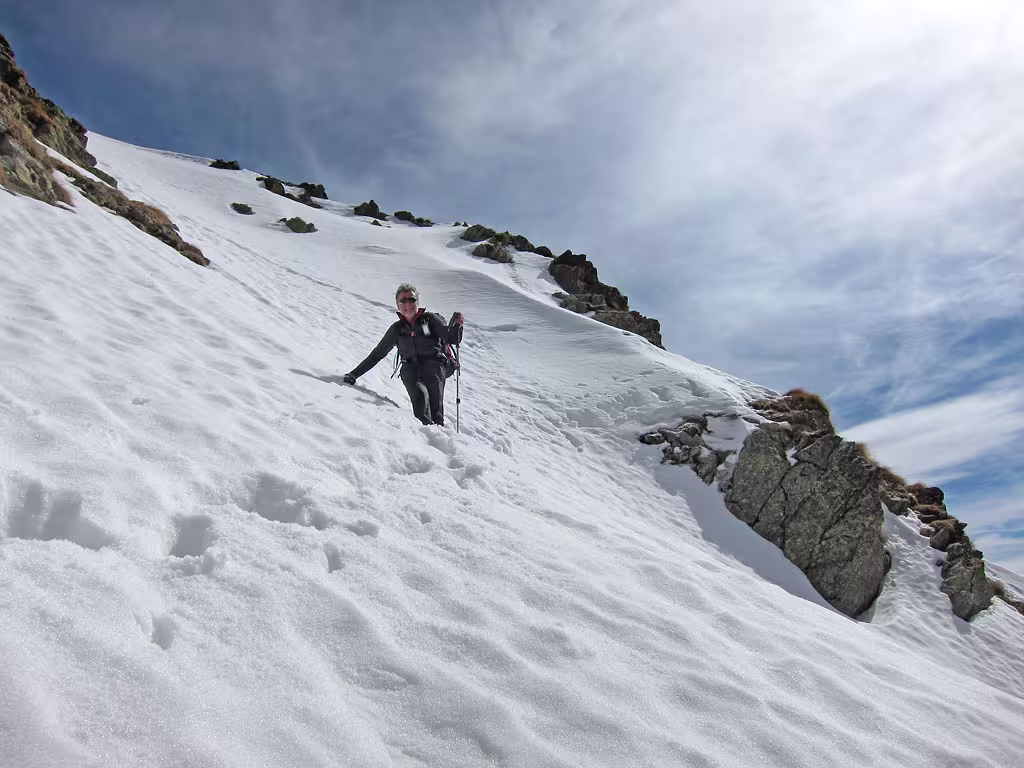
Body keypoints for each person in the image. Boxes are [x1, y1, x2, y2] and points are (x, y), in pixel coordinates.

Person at [343, 283, 463, 426]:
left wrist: (457, 326)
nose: (408, 304)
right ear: (398, 305)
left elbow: (452, 338)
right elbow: (377, 354)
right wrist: (353, 374)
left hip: (435, 367)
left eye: (411, 300)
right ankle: (428, 437)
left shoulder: (430, 320)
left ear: (417, 302)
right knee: (420, 400)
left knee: (435, 410)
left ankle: (438, 438)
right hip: (410, 369)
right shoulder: (397, 329)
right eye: (403, 301)